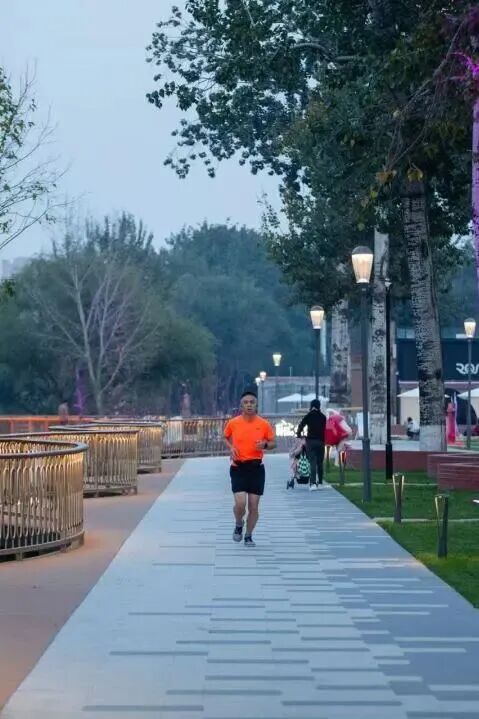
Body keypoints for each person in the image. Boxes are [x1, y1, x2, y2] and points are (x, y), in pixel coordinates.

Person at [224, 389, 276, 546]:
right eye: (246, 402)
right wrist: (231, 448)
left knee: (253, 506)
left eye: (252, 402)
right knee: (240, 504)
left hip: (256, 469)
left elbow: (273, 443)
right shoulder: (233, 423)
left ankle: (248, 535)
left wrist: (265, 445)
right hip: (238, 468)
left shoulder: (264, 424)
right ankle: (239, 523)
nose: (249, 405)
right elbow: (225, 437)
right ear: (241, 406)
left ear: (256, 405)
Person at [296, 399, 326, 490]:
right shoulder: (323, 417)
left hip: (311, 442)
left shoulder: (309, 415)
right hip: (321, 442)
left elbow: (301, 425)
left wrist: (299, 434)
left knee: (313, 462)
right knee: (320, 463)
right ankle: (320, 483)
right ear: (319, 406)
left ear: (311, 406)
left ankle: (313, 483)